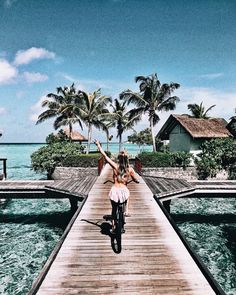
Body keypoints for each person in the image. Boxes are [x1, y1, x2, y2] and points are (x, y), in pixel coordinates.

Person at [94, 140, 139, 233]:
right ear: (127, 160)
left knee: (114, 209)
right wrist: (136, 181)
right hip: (124, 190)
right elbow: (135, 179)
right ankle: (126, 210)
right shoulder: (130, 169)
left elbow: (105, 156)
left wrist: (99, 145)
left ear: (118, 159)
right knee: (128, 194)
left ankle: (114, 226)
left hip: (115, 190)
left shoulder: (115, 166)